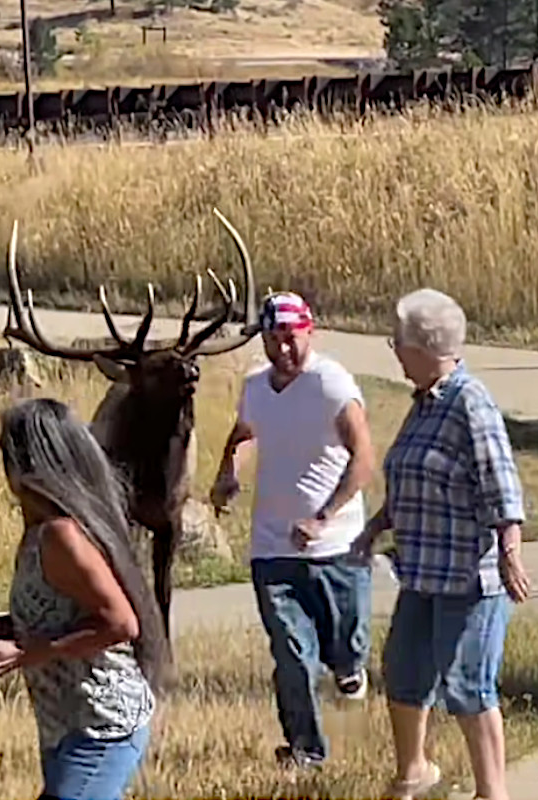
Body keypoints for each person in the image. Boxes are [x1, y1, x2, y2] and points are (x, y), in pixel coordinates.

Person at [352, 288, 531, 800]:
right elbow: (413, 477)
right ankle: (414, 771)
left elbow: (500, 481)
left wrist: (511, 550)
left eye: (398, 343)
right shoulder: (425, 404)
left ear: (425, 347)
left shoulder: (468, 401)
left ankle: (491, 791)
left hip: (470, 574)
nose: (394, 352)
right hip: (423, 569)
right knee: (404, 671)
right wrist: (376, 526)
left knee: (468, 684)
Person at [0, 398, 172, 800]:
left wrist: (26, 654)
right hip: (65, 725)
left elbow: (121, 624)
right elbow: (63, 612)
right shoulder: (38, 532)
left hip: (102, 725)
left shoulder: (62, 536)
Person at [208, 291, 376, 769]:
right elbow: (245, 434)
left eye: (290, 338)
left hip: (337, 546)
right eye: (272, 339)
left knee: (347, 645)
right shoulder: (256, 387)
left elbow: (364, 458)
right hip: (272, 548)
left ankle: (349, 667)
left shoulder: (332, 384)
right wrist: (229, 472)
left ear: (309, 332)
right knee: (292, 654)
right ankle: (306, 751)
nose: (282, 349)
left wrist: (323, 518)